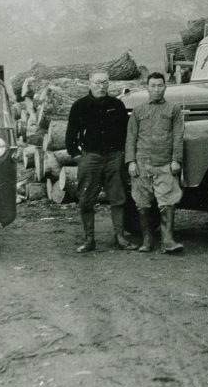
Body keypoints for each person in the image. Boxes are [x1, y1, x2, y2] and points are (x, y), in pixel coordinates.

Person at [65, 70, 136, 253]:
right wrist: (79, 157)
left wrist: (122, 155)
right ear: (89, 83)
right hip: (90, 158)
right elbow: (70, 136)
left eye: (105, 83)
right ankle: (89, 240)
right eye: (97, 83)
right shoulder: (80, 106)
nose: (101, 86)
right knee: (86, 199)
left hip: (114, 158)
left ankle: (120, 236)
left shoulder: (117, 105)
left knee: (118, 197)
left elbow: (126, 133)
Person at [125, 71, 185, 254]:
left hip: (164, 163)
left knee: (167, 201)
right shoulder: (138, 110)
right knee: (142, 203)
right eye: (153, 86)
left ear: (165, 87)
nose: (157, 89)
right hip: (142, 163)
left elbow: (178, 137)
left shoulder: (173, 110)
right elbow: (131, 137)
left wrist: (176, 160)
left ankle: (168, 241)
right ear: (147, 88)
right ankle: (147, 241)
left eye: (160, 85)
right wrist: (131, 161)